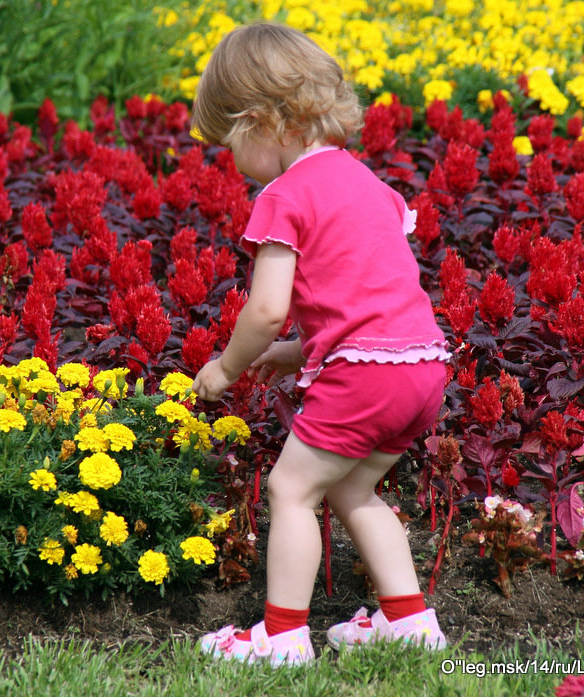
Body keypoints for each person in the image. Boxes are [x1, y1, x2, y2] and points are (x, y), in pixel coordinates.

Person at [189, 22, 452, 667]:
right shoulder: (369, 185)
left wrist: (228, 366)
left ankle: (281, 636)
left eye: (229, 146)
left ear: (258, 122)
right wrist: (301, 351)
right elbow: (361, 291)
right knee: (354, 491)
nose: (233, 163)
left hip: (363, 374)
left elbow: (269, 307)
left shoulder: (282, 196)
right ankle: (410, 622)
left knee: (291, 489)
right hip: (420, 367)